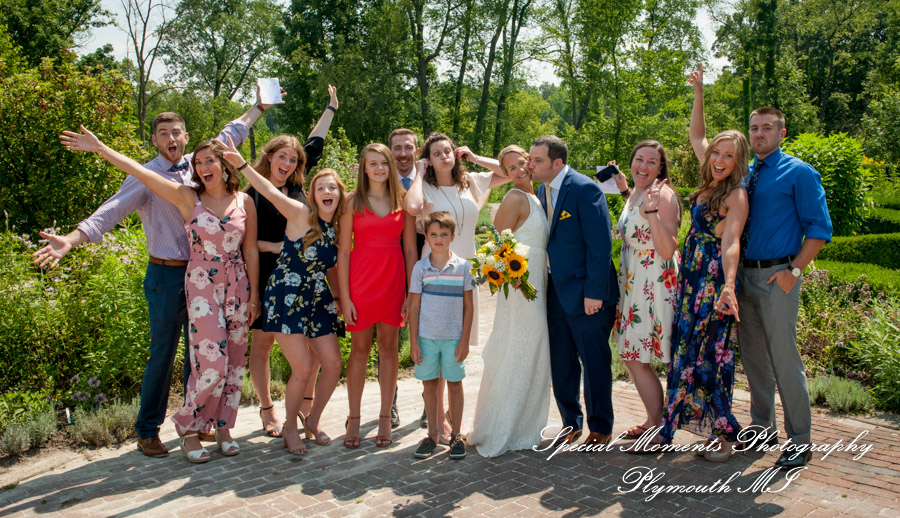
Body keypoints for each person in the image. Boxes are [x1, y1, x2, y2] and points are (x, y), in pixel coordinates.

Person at [33, 93, 277, 458]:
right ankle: (152, 430)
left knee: (210, 359)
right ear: (155, 139)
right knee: (167, 357)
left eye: (177, 132)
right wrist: (72, 238)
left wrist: (259, 107)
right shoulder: (167, 184)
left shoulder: (209, 170)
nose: (172, 139)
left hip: (230, 282)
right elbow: (112, 208)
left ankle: (206, 424)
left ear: (187, 135)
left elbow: (233, 133)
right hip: (171, 277)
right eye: (164, 133)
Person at [714, 74, 830, 466]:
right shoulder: (743, 173)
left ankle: (800, 440)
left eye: (767, 128)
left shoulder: (799, 173)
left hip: (777, 275)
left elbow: (818, 230)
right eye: (754, 128)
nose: (759, 134)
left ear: (782, 131)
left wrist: (794, 271)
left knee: (784, 359)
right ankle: (762, 429)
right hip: (742, 276)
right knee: (755, 360)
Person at [650, 70, 750, 461]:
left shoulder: (735, 193)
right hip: (690, 278)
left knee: (713, 354)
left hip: (710, 281)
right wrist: (698, 92)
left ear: (738, 161)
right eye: (717, 153)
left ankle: (723, 436)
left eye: (729, 155)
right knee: (689, 352)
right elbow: (696, 135)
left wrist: (728, 286)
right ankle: (709, 430)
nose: (720, 159)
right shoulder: (708, 182)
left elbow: (731, 242)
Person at [228, 139, 348, 456]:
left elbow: (335, 265)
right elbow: (267, 189)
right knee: (304, 367)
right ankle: (290, 429)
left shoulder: (337, 227)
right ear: (313, 193)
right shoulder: (300, 214)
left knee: (334, 364)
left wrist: (338, 298)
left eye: (333, 188)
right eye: (321, 187)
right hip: (286, 294)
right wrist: (242, 164)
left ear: (340, 195)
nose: (327, 192)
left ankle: (312, 420)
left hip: (318, 297)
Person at [247, 86, 339, 439]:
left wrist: (330, 108)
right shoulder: (252, 192)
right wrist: (274, 247)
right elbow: (246, 241)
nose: (287, 165)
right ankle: (268, 409)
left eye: (293, 160)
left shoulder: (302, 185)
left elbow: (314, 143)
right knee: (264, 344)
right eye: (281, 158)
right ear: (269, 157)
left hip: (306, 271)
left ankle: (304, 407)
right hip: (269, 270)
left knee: (312, 351)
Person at [404, 132, 509, 442]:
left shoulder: (471, 182)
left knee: (456, 344)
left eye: (447, 151)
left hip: (464, 270)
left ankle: (449, 416)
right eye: (436, 153)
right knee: (434, 337)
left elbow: (510, 170)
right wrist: (419, 172)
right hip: (434, 270)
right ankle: (435, 421)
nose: (444, 156)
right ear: (429, 159)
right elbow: (411, 207)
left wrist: (474, 157)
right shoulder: (425, 184)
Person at [531, 135, 619, 446]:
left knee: (594, 361)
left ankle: (601, 426)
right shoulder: (542, 190)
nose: (531, 165)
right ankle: (571, 422)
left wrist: (594, 292)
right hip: (555, 290)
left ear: (557, 162)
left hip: (588, 293)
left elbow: (601, 245)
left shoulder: (585, 189)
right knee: (562, 361)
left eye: (537, 160)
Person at [468, 145, 551, 458]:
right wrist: (511, 276)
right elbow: (495, 246)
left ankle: (525, 423)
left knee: (532, 349)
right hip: (521, 286)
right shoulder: (515, 197)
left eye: (523, 164)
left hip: (538, 283)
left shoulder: (538, 196)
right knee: (521, 346)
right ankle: (505, 425)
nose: (520, 171)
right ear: (505, 174)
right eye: (511, 168)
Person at [339, 143, 417, 449]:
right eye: (372, 163)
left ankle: (386, 418)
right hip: (361, 281)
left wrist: (412, 293)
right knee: (358, 350)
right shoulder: (351, 202)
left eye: (383, 163)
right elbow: (343, 252)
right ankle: (354, 418)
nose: (379, 168)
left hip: (393, 280)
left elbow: (410, 250)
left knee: (388, 348)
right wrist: (344, 298)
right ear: (364, 168)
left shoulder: (404, 201)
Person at [612, 141, 681, 445]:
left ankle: (658, 428)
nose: (643, 166)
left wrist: (651, 208)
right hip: (633, 281)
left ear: (661, 168)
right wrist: (627, 192)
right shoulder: (638, 192)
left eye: (652, 162)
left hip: (652, 283)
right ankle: (654, 419)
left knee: (636, 357)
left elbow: (666, 249)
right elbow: (638, 221)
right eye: (639, 159)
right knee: (635, 355)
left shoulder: (662, 196)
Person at [408, 212, 475, 460]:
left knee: (455, 384)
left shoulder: (463, 267)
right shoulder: (420, 268)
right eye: (433, 234)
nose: (438, 239)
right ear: (426, 237)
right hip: (426, 338)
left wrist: (465, 340)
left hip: (453, 339)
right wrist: (413, 341)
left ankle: (456, 435)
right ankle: (433, 434)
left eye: (443, 234)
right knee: (430, 385)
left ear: (452, 237)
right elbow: (414, 306)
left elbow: (469, 306)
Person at [387, 127, 424, 429]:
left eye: (407, 147)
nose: (402, 153)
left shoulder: (430, 180)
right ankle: (391, 404)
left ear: (416, 150)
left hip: (428, 263)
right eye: (397, 148)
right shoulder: (380, 183)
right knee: (390, 342)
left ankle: (430, 405)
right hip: (390, 268)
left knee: (429, 336)